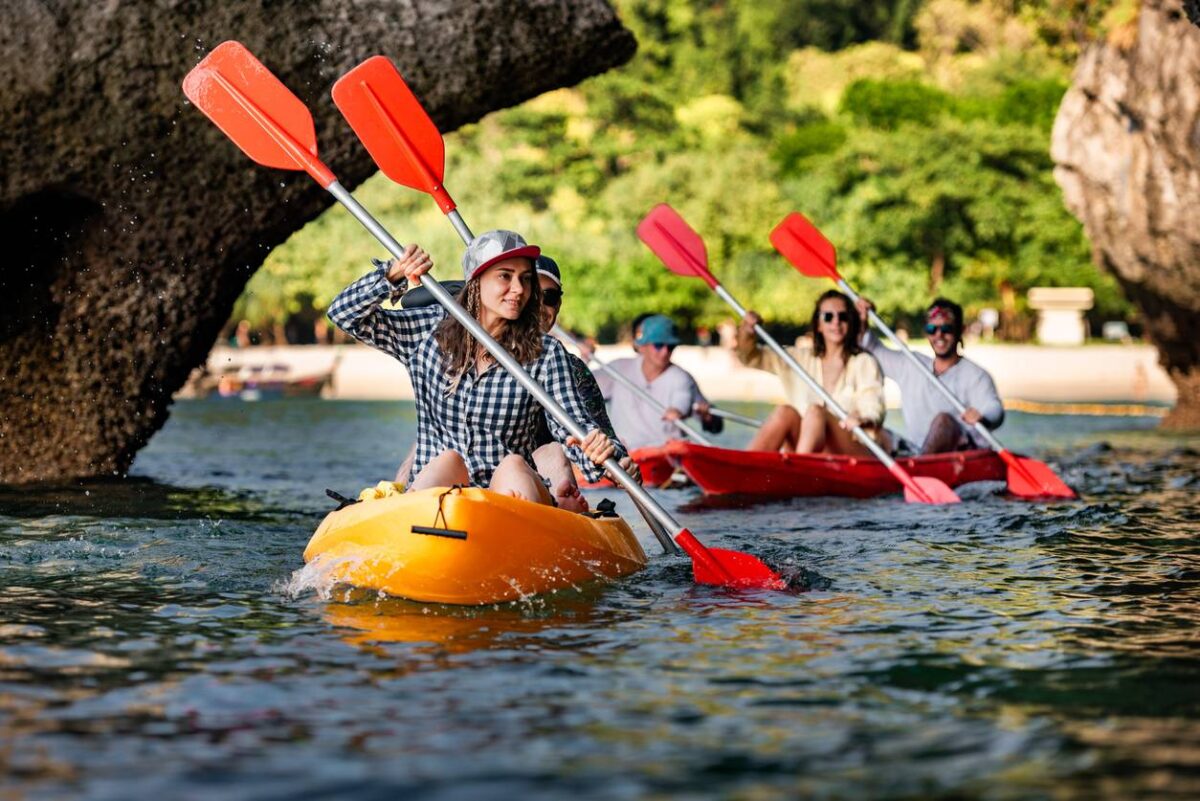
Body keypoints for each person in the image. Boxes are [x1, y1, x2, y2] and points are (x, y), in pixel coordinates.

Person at [328, 230, 625, 506]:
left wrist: (602, 455)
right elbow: (343, 314)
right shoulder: (427, 331)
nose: (518, 289)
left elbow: (574, 427)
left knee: (513, 465)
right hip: (440, 493)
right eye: (505, 277)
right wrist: (392, 274)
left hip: (507, 495)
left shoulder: (546, 353)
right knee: (447, 460)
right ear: (475, 282)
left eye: (525, 278)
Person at [736, 290, 888, 456]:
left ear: (850, 323)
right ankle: (744, 467)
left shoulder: (864, 362)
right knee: (784, 412)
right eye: (828, 317)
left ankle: (798, 470)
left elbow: (873, 407)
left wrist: (861, 418)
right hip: (810, 450)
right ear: (818, 325)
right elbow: (750, 358)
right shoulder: (799, 358)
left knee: (816, 412)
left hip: (854, 449)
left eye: (843, 316)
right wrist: (746, 332)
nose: (836, 322)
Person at [854, 296, 1004, 454]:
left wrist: (982, 417)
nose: (939, 335)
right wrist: (862, 320)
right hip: (918, 452)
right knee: (875, 431)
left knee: (943, 421)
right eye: (932, 329)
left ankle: (919, 466)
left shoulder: (976, 375)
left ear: (961, 330)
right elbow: (870, 347)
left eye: (946, 329)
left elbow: (994, 409)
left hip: (958, 456)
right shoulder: (912, 363)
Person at [595, 315, 722, 450]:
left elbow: (715, 426)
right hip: (625, 453)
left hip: (667, 454)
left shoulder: (682, 378)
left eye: (671, 346)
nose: (665, 352)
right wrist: (584, 357)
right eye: (658, 345)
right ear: (642, 346)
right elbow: (579, 388)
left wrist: (703, 416)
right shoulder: (618, 369)